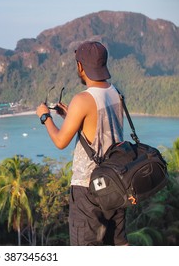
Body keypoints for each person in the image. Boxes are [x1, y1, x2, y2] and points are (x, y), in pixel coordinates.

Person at [36, 41, 127, 246]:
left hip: (89, 190)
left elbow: (60, 142)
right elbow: (99, 128)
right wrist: (71, 117)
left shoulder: (83, 99)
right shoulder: (117, 92)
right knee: (118, 244)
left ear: (80, 67)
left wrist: (44, 117)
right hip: (116, 184)